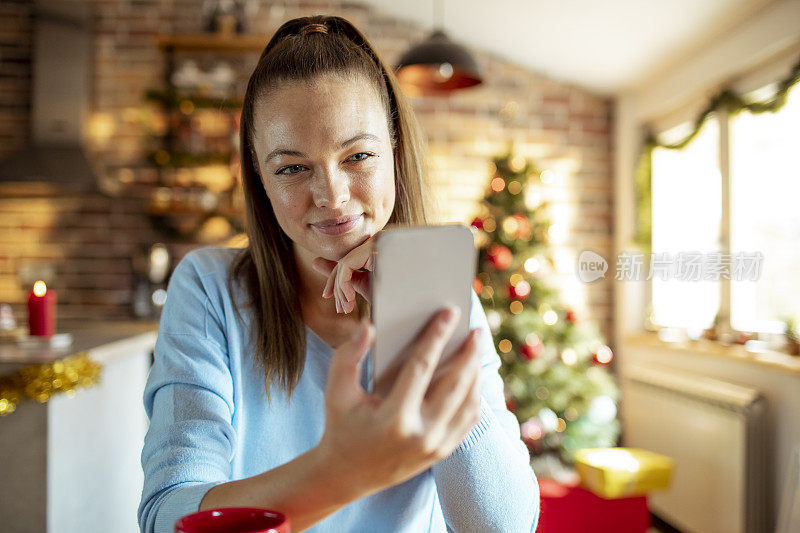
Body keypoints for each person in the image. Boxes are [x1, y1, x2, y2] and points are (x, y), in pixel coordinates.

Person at [138, 14, 540, 533]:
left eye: (359, 155)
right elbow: (168, 515)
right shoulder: (211, 288)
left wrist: (423, 327)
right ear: (258, 177)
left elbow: (502, 526)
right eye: (291, 168)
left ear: (394, 151)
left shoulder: (443, 294)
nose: (331, 196)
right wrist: (342, 471)